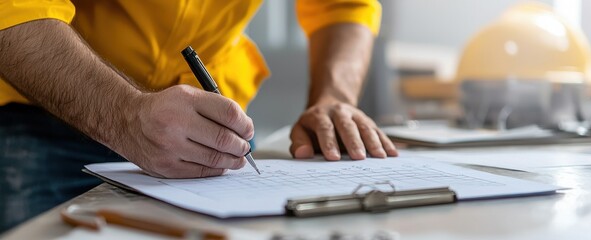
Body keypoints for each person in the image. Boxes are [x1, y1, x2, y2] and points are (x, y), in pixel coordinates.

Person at [0, 0, 398, 232]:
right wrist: (125, 116)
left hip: (212, 130)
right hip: (46, 111)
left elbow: (343, 6)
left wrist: (334, 97)